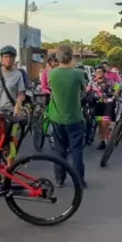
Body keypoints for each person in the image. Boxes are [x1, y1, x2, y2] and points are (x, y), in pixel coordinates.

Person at [46, 44, 89, 189]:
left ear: (57, 57)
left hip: (56, 116)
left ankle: (59, 179)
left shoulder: (52, 74)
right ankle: (79, 180)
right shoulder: (77, 73)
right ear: (71, 57)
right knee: (76, 149)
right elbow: (84, 89)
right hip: (75, 116)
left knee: (59, 150)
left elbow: (51, 88)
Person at [0, 45, 33, 161]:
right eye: (5, 56)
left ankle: (9, 170)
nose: (8, 59)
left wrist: (17, 107)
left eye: (11, 57)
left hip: (10, 112)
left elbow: (21, 94)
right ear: (1, 58)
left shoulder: (18, 75)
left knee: (11, 141)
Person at [87, 65, 119, 149]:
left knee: (104, 122)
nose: (98, 73)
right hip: (97, 104)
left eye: (100, 71)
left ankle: (108, 140)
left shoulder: (109, 81)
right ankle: (102, 141)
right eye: (97, 72)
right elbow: (87, 89)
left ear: (104, 73)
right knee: (100, 123)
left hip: (107, 104)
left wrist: (114, 96)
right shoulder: (93, 81)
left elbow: (118, 87)